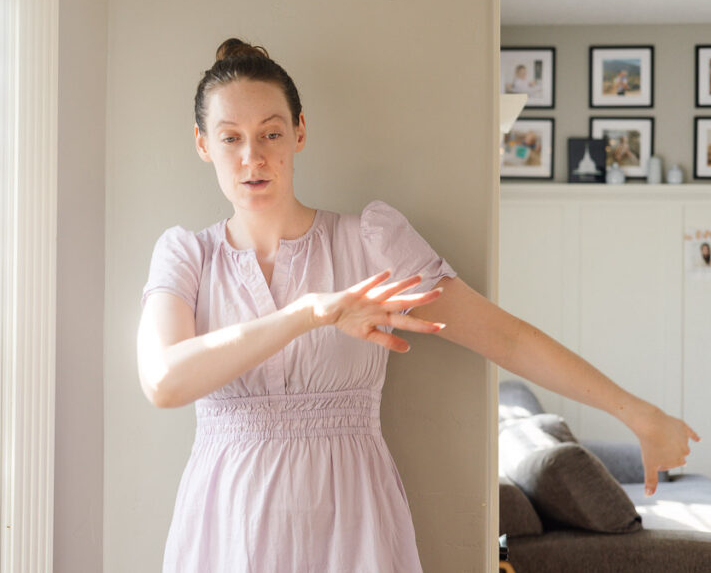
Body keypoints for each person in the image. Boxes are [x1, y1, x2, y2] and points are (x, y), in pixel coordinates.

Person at [136, 38, 700, 572]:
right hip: (227, 524)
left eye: (271, 133)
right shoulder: (187, 255)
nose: (252, 156)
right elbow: (164, 381)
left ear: (300, 132)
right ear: (203, 143)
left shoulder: (371, 240)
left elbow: (505, 338)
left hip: (351, 524)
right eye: (230, 137)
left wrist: (637, 414)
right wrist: (312, 313)